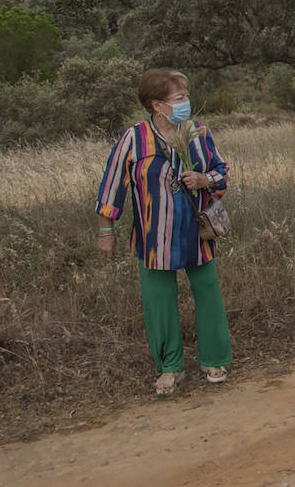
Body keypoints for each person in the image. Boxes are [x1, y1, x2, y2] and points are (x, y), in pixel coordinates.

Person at [96, 68, 232, 397]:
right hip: (153, 237)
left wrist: (205, 180)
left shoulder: (198, 132)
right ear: (157, 105)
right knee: (159, 302)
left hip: (197, 234)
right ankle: (170, 367)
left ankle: (214, 360)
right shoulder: (134, 139)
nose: (186, 103)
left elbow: (221, 171)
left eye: (185, 96)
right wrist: (106, 229)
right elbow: (113, 183)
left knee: (208, 292)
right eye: (179, 98)